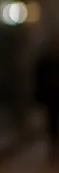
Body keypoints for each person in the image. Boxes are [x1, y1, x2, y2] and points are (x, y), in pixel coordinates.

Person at [34, 32, 59, 161]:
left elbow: (39, 79)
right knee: (52, 122)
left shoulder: (44, 59)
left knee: (52, 122)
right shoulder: (45, 60)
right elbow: (39, 79)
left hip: (50, 96)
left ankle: (53, 146)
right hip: (51, 96)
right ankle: (53, 146)